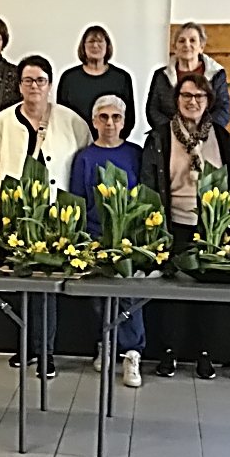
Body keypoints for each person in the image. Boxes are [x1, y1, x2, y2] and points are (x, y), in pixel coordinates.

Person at [0, 55, 91, 375]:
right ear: (19, 86)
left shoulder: (71, 121)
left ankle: (46, 352)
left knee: (46, 287)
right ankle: (25, 346)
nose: (34, 86)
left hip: (54, 219)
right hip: (15, 216)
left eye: (40, 80)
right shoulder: (3, 122)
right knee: (21, 283)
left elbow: (83, 162)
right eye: (28, 80)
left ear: (49, 85)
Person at [140, 75, 230, 380]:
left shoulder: (222, 138)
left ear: (208, 101)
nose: (192, 101)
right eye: (186, 96)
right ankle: (169, 352)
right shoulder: (160, 137)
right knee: (174, 295)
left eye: (199, 96)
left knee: (207, 296)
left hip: (210, 228)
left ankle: (205, 354)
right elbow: (149, 184)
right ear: (176, 100)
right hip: (174, 225)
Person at [70, 95, 147, 387]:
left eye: (116, 117)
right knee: (99, 298)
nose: (110, 123)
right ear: (94, 121)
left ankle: (132, 353)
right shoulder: (85, 158)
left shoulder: (136, 154)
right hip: (95, 235)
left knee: (129, 296)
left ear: (124, 122)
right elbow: (78, 200)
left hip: (129, 238)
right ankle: (106, 344)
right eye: (103, 117)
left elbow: (145, 196)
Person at [145, 22, 230, 129]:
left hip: (208, 135)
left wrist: (202, 131)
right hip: (167, 135)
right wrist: (174, 130)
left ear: (201, 47)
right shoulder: (161, 75)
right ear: (174, 47)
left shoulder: (216, 74)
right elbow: (153, 110)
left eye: (192, 40)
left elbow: (223, 109)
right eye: (181, 41)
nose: (187, 44)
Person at [57, 25, 136, 139]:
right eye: (91, 41)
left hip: (111, 143)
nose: (95, 45)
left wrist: (113, 142)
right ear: (83, 46)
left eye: (100, 41)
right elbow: (61, 116)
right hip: (76, 143)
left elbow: (129, 118)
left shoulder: (122, 78)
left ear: (107, 46)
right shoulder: (68, 78)